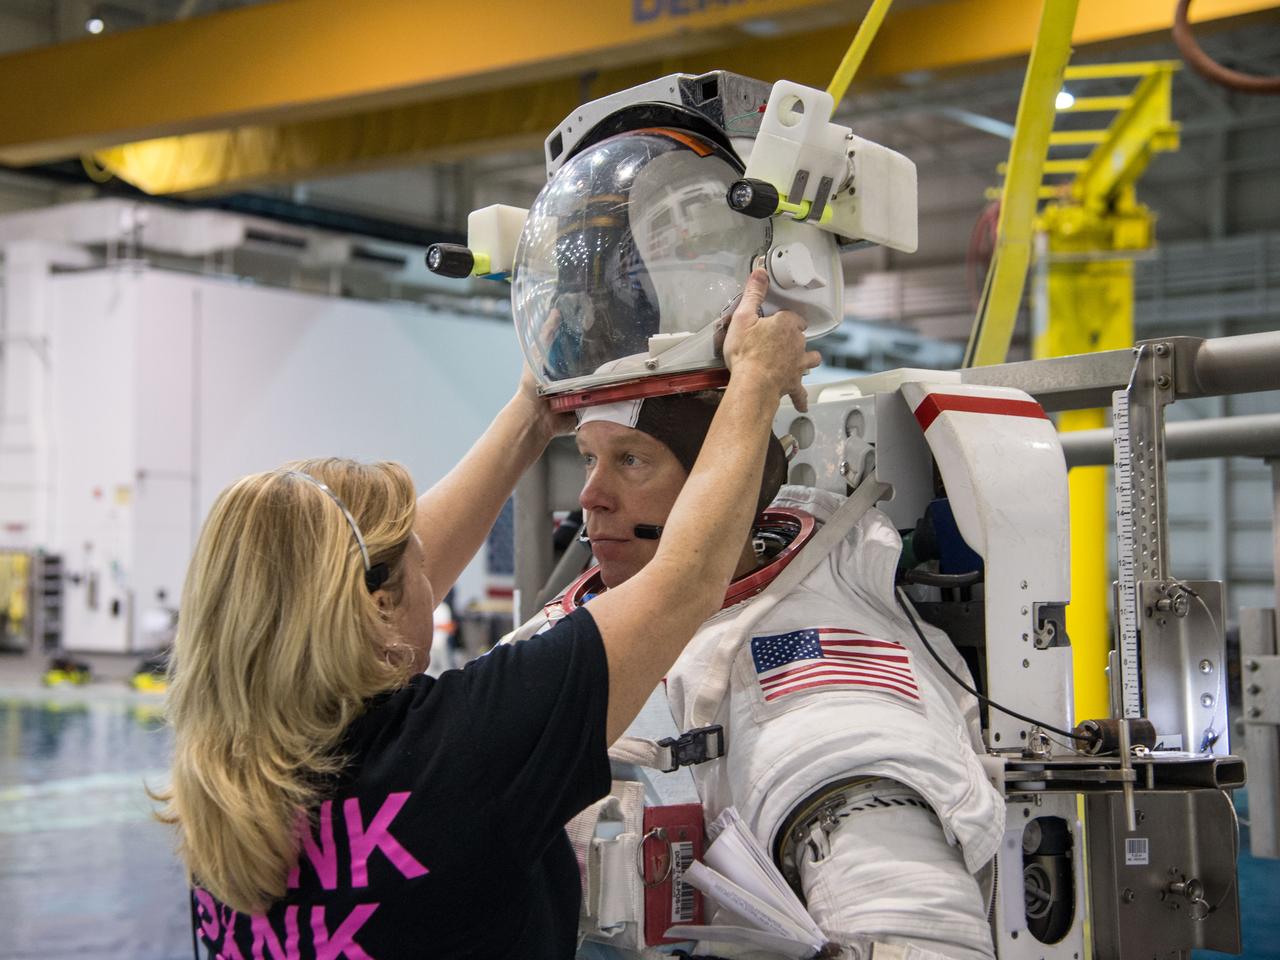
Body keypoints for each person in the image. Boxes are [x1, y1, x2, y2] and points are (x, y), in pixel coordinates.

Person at [156, 269, 821, 960]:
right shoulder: (461, 752)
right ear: (376, 609)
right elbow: (688, 578)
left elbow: (361, 575)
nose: (593, 494)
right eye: (417, 559)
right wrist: (754, 379)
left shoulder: (222, 776)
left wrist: (532, 413)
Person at [508, 392, 1006, 960]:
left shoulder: (802, 655)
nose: (590, 496)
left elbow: (914, 924)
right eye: (589, 459)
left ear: (724, 483)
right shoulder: (551, 636)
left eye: (631, 460)